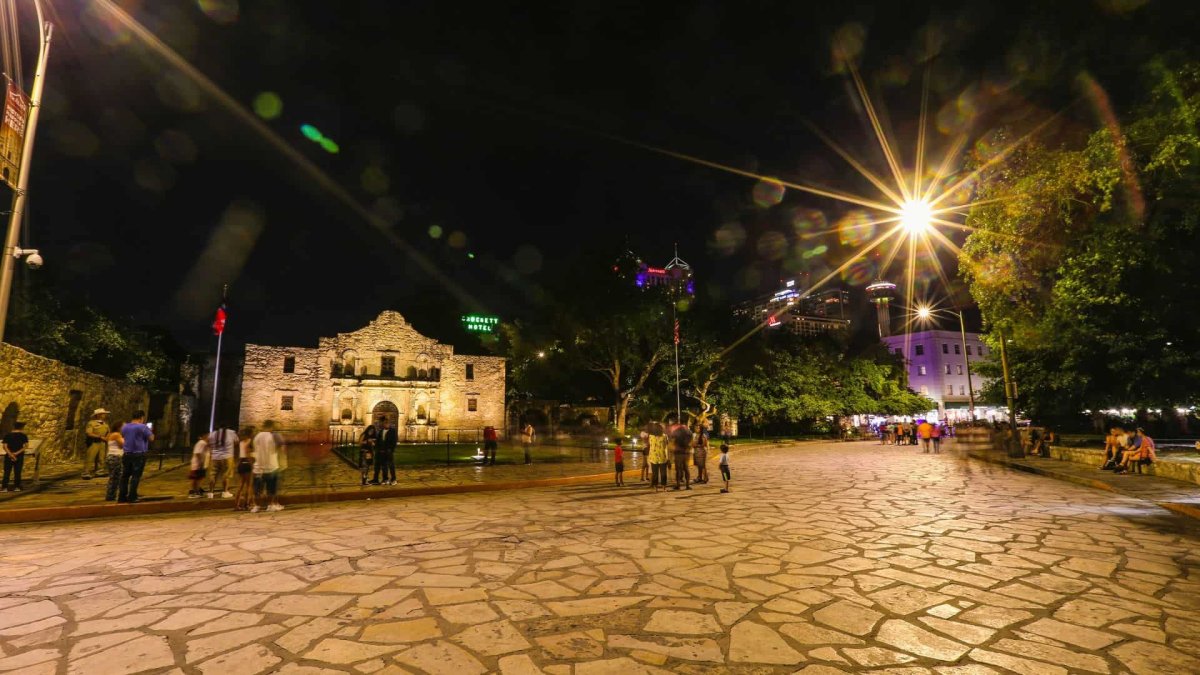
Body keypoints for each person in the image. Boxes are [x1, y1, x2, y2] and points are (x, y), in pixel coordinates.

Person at [117, 410, 154, 504]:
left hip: (127, 454)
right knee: (136, 476)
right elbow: (151, 438)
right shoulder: (143, 427)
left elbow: (123, 436)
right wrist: (150, 430)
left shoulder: (125, 427)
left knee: (125, 476)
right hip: (139, 454)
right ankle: (132, 496)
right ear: (141, 417)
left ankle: (122, 496)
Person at [252, 421, 286, 511]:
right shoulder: (273, 436)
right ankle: (271, 505)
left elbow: (254, 450)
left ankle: (256, 506)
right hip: (271, 466)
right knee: (271, 488)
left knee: (258, 489)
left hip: (258, 467)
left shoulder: (257, 436)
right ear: (271, 427)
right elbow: (282, 449)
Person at [207, 426, 238, 498]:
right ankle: (225, 492)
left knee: (213, 475)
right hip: (227, 457)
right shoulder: (231, 433)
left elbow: (209, 444)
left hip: (215, 457)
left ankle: (210, 493)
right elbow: (236, 442)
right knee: (226, 475)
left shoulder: (212, 434)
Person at [82, 408, 111, 479]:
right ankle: (86, 472)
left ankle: (99, 471)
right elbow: (89, 433)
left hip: (102, 443)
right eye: (103, 414)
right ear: (98, 415)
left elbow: (108, 432)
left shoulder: (105, 424)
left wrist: (107, 437)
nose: (105, 415)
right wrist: (100, 437)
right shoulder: (91, 423)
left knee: (101, 458)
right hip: (94, 442)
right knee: (90, 457)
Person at [2, 421, 29, 492]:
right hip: (19, 456)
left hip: (8, 456)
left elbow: (5, 446)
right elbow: (26, 446)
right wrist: (16, 454)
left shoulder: (7, 435)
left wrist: (11, 454)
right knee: (17, 472)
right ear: (21, 427)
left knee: (7, 472)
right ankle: (17, 487)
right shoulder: (23, 436)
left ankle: (4, 487)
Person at [234, 427, 255, 511]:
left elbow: (240, 455)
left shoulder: (241, 442)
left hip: (241, 463)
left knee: (240, 485)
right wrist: (252, 465)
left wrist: (237, 465)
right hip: (247, 463)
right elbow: (247, 453)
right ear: (250, 434)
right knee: (249, 485)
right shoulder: (250, 441)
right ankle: (246, 504)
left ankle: (237, 505)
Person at [670, 420, 693, 491]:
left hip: (678, 453)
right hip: (686, 453)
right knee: (686, 469)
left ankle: (678, 485)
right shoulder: (689, 432)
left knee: (678, 469)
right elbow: (691, 443)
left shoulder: (676, 431)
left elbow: (672, 441)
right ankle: (687, 485)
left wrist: (672, 451)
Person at [373, 420, 397, 485]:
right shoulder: (381, 431)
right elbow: (378, 440)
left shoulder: (392, 431)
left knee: (391, 465)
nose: (386, 424)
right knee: (384, 466)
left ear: (389, 424)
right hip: (382, 451)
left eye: (387, 423)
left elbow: (394, 441)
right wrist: (376, 448)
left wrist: (391, 449)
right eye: (384, 423)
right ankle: (385, 479)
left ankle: (394, 479)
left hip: (389, 451)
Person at [103, 429, 124, 501]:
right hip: (116, 457)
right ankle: (112, 495)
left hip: (111, 456)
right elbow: (121, 445)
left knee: (113, 477)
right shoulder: (117, 435)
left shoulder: (111, 434)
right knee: (116, 477)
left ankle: (111, 495)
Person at [187, 433, 210, 499]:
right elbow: (197, 453)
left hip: (199, 464)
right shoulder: (202, 443)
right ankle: (195, 492)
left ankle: (196, 491)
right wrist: (201, 463)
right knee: (197, 479)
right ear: (204, 436)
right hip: (198, 464)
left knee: (198, 478)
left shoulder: (203, 443)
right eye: (208, 436)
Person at [648, 423, 669, 492]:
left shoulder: (652, 436)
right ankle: (661, 488)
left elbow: (666, 447)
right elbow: (666, 446)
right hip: (659, 457)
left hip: (657, 457)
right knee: (660, 473)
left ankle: (658, 488)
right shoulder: (663, 436)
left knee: (658, 473)